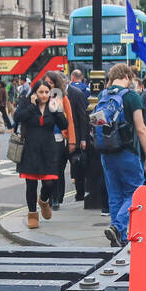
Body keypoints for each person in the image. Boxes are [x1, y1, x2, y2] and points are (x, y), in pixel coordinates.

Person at [94, 64, 146, 246]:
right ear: (127, 77)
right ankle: (118, 228)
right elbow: (141, 129)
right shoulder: (132, 97)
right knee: (134, 192)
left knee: (115, 195)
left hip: (107, 152)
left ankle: (118, 237)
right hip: (128, 152)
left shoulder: (101, 96)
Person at [13, 75, 70, 229]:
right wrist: (32, 106)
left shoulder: (53, 106)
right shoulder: (26, 103)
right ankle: (32, 214)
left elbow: (64, 124)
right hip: (30, 150)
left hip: (48, 149)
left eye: (47, 92)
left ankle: (43, 201)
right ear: (35, 93)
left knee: (50, 182)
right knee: (31, 184)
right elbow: (17, 117)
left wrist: (57, 108)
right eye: (41, 92)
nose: (44, 95)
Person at [40, 70, 77, 213]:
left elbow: (71, 122)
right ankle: (47, 197)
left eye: (51, 83)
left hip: (58, 138)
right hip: (43, 139)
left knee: (57, 170)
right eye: (46, 82)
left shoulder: (62, 98)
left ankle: (56, 198)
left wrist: (72, 141)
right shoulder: (39, 98)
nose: (48, 85)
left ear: (56, 84)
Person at [66, 70, 92, 204]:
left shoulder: (74, 92)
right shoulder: (87, 89)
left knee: (76, 164)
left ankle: (78, 190)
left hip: (75, 134)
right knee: (76, 164)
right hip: (74, 134)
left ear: (72, 77)